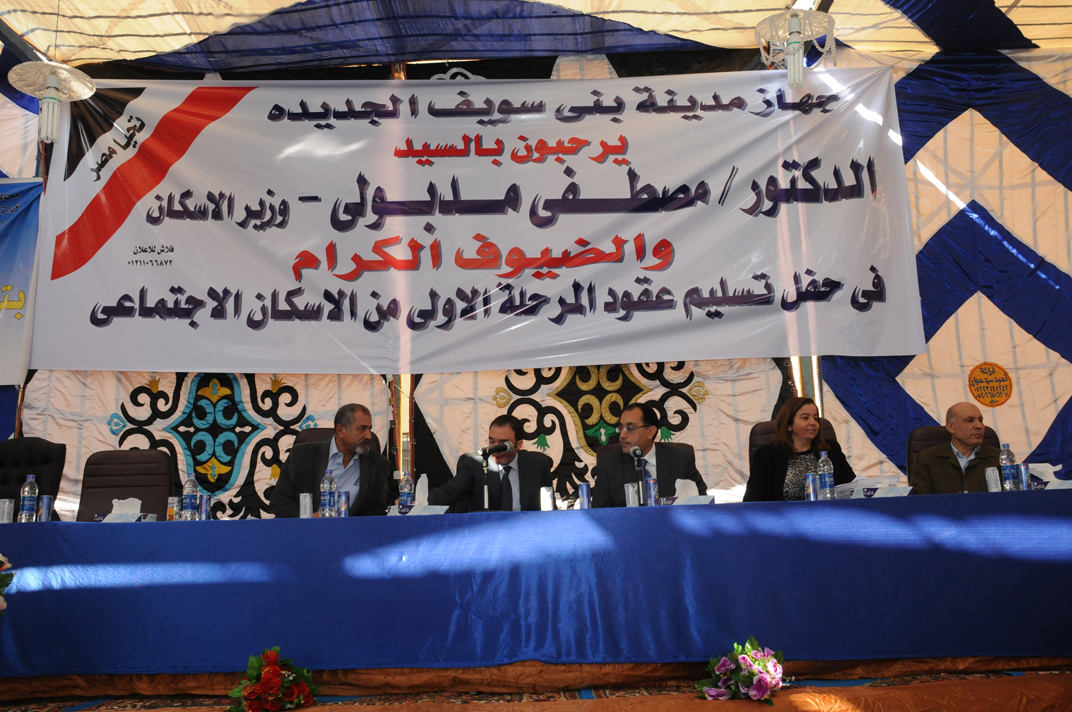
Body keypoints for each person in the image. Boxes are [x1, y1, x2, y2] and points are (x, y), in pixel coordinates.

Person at [269, 403, 391, 517]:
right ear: (340, 430)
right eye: (362, 429)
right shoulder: (301, 456)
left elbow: (379, 509)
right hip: (307, 530)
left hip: (352, 531)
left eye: (370, 429)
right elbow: (279, 502)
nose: (368, 436)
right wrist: (309, 518)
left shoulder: (379, 465)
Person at [428, 414, 554, 512]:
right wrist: (422, 503)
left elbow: (549, 508)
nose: (496, 449)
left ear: (519, 444)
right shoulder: (475, 465)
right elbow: (449, 492)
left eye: (503, 443)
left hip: (525, 531)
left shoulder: (538, 466)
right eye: (492, 441)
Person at [591, 401, 707, 507]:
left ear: (651, 432)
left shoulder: (681, 459)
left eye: (630, 428)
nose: (622, 435)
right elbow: (599, 512)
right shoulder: (609, 464)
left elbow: (703, 503)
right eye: (621, 428)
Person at [744, 396, 855, 502]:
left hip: (828, 512)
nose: (813, 423)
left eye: (816, 418)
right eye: (805, 418)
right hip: (785, 514)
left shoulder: (831, 449)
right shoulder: (767, 455)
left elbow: (853, 487)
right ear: (789, 425)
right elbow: (752, 501)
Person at [911, 402, 1000, 494]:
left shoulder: (999, 458)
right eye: (969, 420)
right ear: (951, 427)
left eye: (980, 420)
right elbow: (923, 499)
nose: (979, 426)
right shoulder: (926, 459)